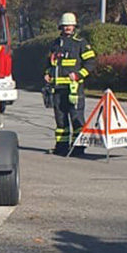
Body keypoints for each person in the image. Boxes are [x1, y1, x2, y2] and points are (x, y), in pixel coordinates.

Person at [44, 12, 96, 156]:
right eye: (65, 25)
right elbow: (49, 62)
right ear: (61, 26)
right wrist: (47, 73)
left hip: (74, 89)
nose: (68, 28)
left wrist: (79, 75)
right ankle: (61, 147)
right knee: (60, 120)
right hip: (57, 89)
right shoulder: (55, 43)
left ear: (74, 26)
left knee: (76, 118)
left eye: (70, 25)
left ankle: (78, 148)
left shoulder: (81, 43)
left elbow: (91, 62)